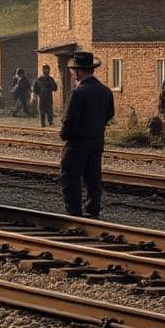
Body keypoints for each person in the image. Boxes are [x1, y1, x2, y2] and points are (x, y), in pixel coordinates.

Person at [59, 50, 114, 217]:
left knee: (70, 175)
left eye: (74, 70)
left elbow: (70, 118)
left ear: (79, 71)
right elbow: (109, 114)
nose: (73, 74)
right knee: (93, 176)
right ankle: (93, 209)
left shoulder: (78, 92)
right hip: (97, 140)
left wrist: (64, 134)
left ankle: (74, 211)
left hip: (78, 141)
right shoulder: (105, 91)